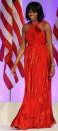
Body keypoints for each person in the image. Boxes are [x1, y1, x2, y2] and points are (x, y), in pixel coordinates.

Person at [10, 2, 56, 130]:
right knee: (30, 89)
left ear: (39, 12)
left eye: (34, 12)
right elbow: (22, 47)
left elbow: (49, 45)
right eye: (29, 12)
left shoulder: (46, 26)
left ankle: (41, 118)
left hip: (42, 59)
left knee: (41, 88)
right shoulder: (25, 27)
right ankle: (29, 116)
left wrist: (52, 65)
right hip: (30, 60)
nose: (31, 14)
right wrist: (15, 64)